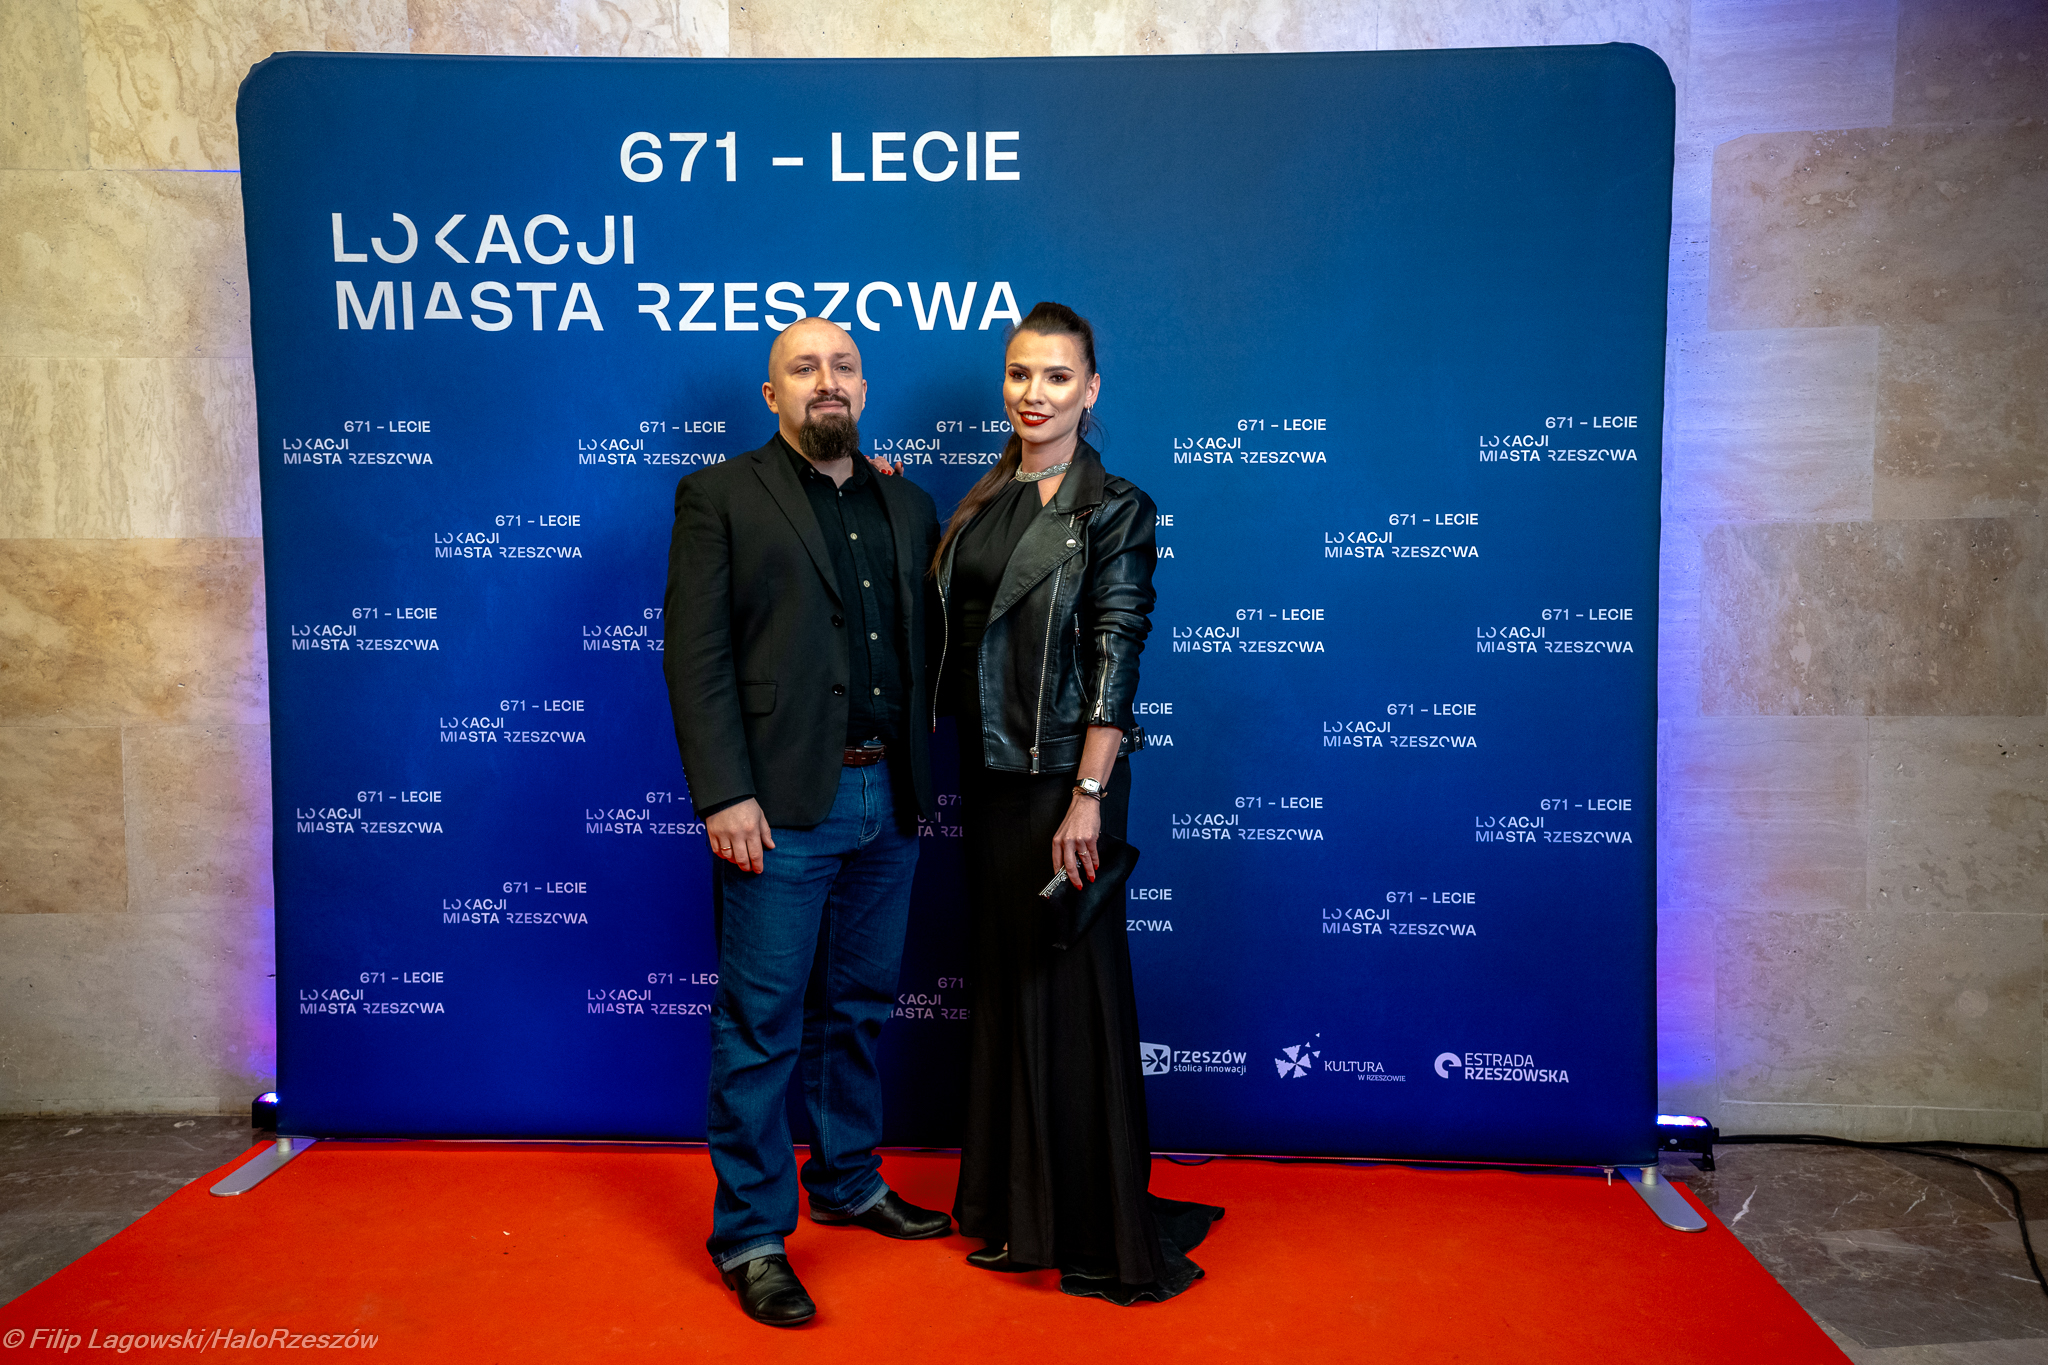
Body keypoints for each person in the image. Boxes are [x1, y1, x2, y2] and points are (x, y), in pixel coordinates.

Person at [662, 316, 950, 1328]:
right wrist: (722, 794)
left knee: (857, 1006)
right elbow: (694, 656)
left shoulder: (909, 503)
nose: (826, 381)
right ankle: (749, 1236)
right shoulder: (718, 495)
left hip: (889, 798)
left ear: (862, 390)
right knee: (760, 1024)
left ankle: (848, 1180)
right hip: (776, 808)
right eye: (804, 367)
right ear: (771, 393)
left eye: (843, 367)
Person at [933, 301, 1222, 1303]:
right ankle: (1021, 1207)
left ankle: (1085, 1220)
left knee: (1069, 989)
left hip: (1063, 779)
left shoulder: (1115, 508)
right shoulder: (986, 497)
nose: (1034, 393)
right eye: (1020, 373)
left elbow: (1114, 653)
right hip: (990, 776)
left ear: (1090, 390)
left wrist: (1089, 796)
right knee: (1011, 985)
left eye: (1056, 376)